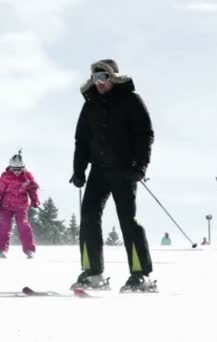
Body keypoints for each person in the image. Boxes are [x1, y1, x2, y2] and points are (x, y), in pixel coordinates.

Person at [69, 59, 156, 292]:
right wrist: (78, 170)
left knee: (128, 220)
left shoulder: (131, 101)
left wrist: (141, 166)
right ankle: (93, 272)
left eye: (103, 78)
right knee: (88, 216)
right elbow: (82, 141)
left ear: (113, 78)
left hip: (124, 170)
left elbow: (145, 134)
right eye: (95, 79)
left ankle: (141, 275)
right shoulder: (90, 106)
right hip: (99, 170)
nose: (99, 83)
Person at [0, 150, 40, 259]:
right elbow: (0, 191)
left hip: (21, 206)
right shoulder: (5, 176)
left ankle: (29, 249)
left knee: (23, 225)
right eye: (14, 169)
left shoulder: (27, 177)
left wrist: (35, 200)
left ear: (23, 167)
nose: (17, 171)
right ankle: (1, 249)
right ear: (10, 167)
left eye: (19, 169)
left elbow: (32, 190)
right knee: (5, 225)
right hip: (6, 206)